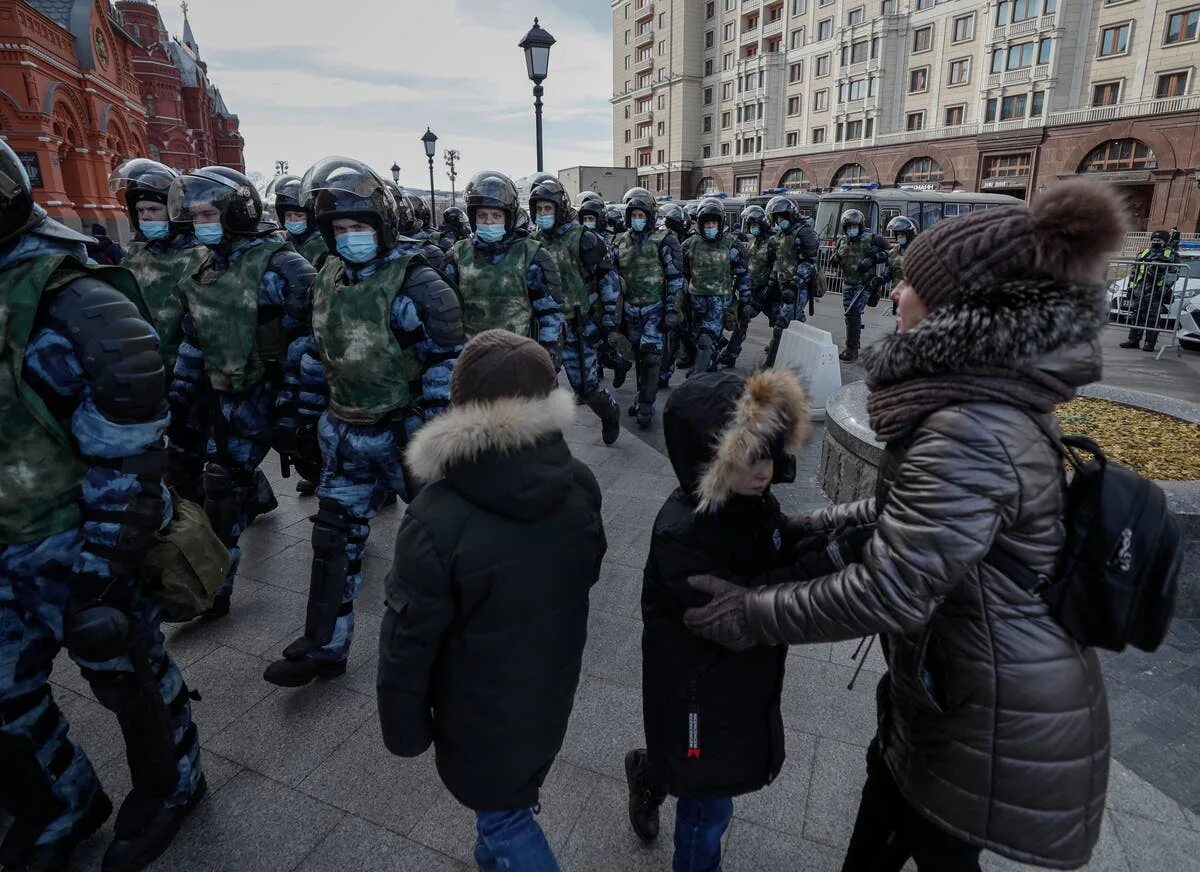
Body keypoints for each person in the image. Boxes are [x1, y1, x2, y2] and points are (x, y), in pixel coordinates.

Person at [681, 179, 1128, 872]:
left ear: (955, 307)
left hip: (986, 705)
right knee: (886, 817)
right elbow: (913, 519)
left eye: (911, 283)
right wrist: (813, 528)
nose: (895, 294)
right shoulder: (982, 399)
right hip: (948, 683)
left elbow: (893, 589)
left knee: (936, 850)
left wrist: (754, 613)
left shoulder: (970, 425)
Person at [0, 140, 204, 872]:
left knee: (127, 671)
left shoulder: (71, 294)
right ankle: (60, 801)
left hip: (70, 535)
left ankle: (174, 782)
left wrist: (106, 564)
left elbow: (128, 446)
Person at [377, 329, 606, 871]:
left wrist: (405, 729)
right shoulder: (579, 484)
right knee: (509, 797)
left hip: (475, 710)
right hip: (550, 686)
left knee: (503, 818)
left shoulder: (435, 519)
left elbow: (407, 642)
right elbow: (587, 570)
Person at [263, 156, 465, 688]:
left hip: (407, 437)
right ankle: (325, 646)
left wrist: (431, 435)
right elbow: (315, 348)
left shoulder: (417, 284)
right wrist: (298, 412)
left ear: (382, 225)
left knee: (439, 548)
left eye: (359, 227)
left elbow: (446, 366)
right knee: (333, 539)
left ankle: (465, 647)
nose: (350, 237)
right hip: (347, 433)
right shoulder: (327, 277)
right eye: (340, 229)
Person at [623, 369, 812, 870]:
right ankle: (658, 778)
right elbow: (732, 613)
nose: (766, 470)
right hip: (696, 691)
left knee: (699, 776)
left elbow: (775, 546)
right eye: (749, 459)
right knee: (707, 808)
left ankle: (651, 771)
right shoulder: (684, 535)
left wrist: (825, 539)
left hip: (731, 688)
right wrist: (813, 571)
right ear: (708, 460)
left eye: (771, 453)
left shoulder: (752, 503)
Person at [166, 166, 316, 619]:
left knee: (337, 486)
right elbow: (196, 338)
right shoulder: (202, 268)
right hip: (235, 399)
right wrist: (180, 395)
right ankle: (217, 587)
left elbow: (313, 338)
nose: (200, 222)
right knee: (221, 485)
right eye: (194, 215)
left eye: (208, 213)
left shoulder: (281, 265)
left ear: (235, 213)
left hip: (285, 395)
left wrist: (299, 404)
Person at [530, 175, 623, 445]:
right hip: (546, 327)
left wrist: (609, 321)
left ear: (559, 208)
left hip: (578, 325)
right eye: (538, 209)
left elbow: (608, 280)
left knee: (586, 386)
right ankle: (552, 443)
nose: (543, 214)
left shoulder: (584, 239)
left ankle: (609, 412)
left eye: (547, 208)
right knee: (544, 386)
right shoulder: (534, 243)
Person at [444, 171, 564, 366]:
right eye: (482, 215)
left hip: (518, 361)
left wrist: (546, 360)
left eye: (496, 215)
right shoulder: (458, 255)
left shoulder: (530, 254)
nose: (489, 221)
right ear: (474, 218)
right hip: (471, 361)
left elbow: (549, 314)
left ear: (507, 218)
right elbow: (445, 315)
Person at [612, 186, 684, 428]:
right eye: (633, 215)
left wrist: (672, 309)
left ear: (650, 216)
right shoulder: (619, 242)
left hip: (655, 308)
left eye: (641, 215)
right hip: (631, 310)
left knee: (651, 356)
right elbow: (610, 278)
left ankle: (646, 404)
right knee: (638, 356)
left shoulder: (664, 240)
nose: (637, 219)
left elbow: (675, 278)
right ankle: (642, 396)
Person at [680, 197, 750, 376]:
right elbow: (682, 274)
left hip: (719, 302)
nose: (710, 227)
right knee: (698, 340)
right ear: (700, 224)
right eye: (706, 224)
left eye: (713, 223)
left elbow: (742, 275)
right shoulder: (689, 245)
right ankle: (711, 373)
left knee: (706, 339)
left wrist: (746, 300)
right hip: (696, 301)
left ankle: (698, 378)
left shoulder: (732, 245)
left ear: (720, 223)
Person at [763, 195, 819, 368]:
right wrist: (772, 283)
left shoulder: (804, 232)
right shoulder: (780, 235)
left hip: (798, 287)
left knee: (783, 321)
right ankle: (796, 351)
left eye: (783, 217)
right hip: (782, 285)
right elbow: (778, 261)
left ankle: (771, 363)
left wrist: (795, 284)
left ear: (791, 215)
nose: (780, 221)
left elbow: (809, 262)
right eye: (777, 218)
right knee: (795, 321)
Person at [720, 204, 774, 368]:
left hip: (769, 292)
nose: (753, 229)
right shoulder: (753, 242)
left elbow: (777, 267)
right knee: (742, 319)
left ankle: (772, 360)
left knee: (781, 324)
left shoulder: (772, 243)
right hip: (754, 290)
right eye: (751, 226)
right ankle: (731, 354)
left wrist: (770, 287)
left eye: (755, 225)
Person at [832, 209, 889, 362]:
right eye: (849, 226)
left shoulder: (872, 239)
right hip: (848, 282)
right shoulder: (842, 241)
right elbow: (839, 254)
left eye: (854, 226)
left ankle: (852, 350)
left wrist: (873, 258)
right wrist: (835, 259)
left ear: (861, 225)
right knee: (849, 316)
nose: (852, 229)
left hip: (864, 284)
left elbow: (889, 252)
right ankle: (852, 346)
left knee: (853, 313)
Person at [1120, 229, 1180, 352]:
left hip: (1157, 292)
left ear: (1165, 241)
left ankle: (1150, 342)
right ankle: (1133, 340)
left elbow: (1172, 275)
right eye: (1154, 240)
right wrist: (1130, 289)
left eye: (1159, 240)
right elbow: (1134, 272)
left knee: (1152, 317)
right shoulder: (1144, 253)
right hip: (1140, 290)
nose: (1156, 242)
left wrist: (1164, 288)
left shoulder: (1170, 255)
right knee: (1136, 315)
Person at [656, 202, 692, 389]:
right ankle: (664, 372)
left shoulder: (687, 241)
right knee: (671, 335)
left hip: (686, 291)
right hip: (669, 291)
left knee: (682, 331)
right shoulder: (664, 239)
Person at [272, 173, 329, 268]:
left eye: (299, 215)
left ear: (310, 217)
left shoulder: (322, 246)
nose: (293, 219)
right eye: (288, 215)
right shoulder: (280, 241)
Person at [884, 215, 919, 316]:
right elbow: (890, 271)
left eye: (902, 234)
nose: (900, 237)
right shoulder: (894, 251)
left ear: (909, 234)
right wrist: (881, 279)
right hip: (899, 296)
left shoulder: (919, 250)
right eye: (898, 234)